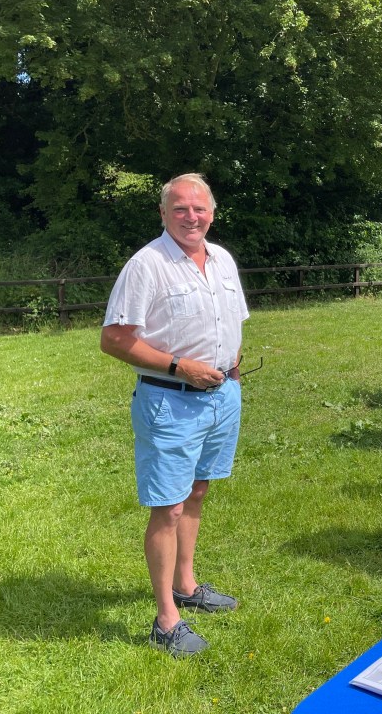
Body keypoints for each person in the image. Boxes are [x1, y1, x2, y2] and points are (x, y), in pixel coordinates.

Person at [101, 173, 249, 658]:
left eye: (200, 208)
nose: (192, 217)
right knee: (168, 506)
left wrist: (233, 368)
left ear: (212, 212)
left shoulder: (222, 259)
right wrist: (178, 366)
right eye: (181, 209)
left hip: (223, 395)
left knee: (197, 491)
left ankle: (186, 585)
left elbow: (234, 322)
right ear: (164, 214)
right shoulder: (147, 265)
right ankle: (167, 619)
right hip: (170, 400)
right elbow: (115, 340)